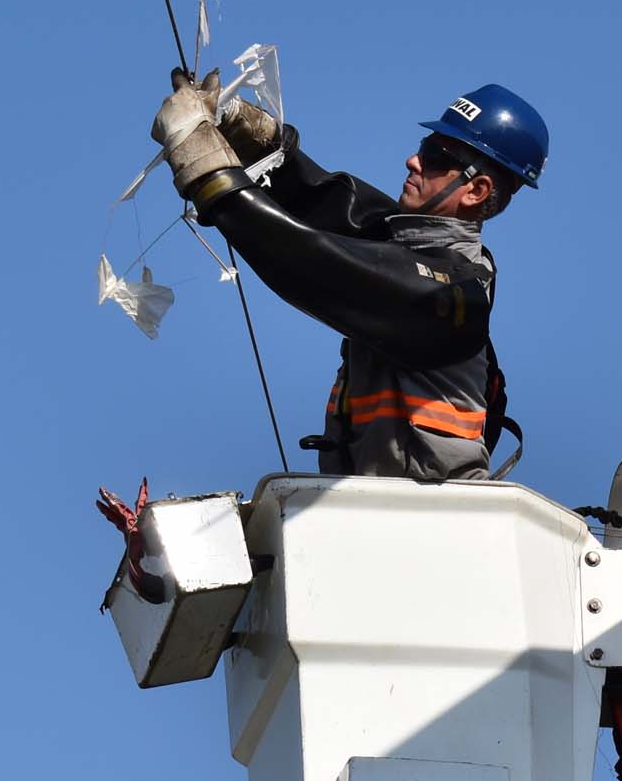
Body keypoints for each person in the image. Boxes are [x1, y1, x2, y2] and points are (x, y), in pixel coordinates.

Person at [150, 76, 546, 481]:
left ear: (476, 191)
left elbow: (311, 259)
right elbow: (339, 206)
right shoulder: (410, 253)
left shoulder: (452, 294)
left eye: (435, 156)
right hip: (377, 513)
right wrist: (261, 146)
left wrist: (207, 172)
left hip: (433, 521)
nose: (413, 161)